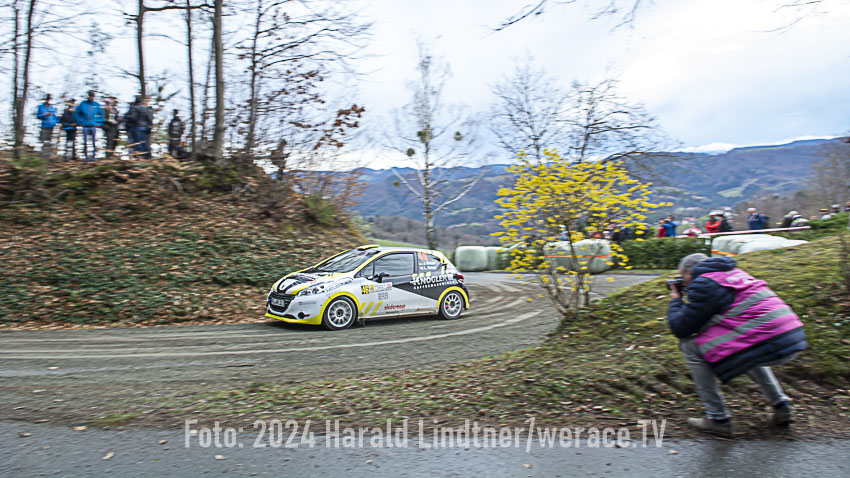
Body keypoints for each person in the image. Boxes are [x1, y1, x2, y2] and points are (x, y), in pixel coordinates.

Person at [667, 253, 806, 436]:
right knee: (746, 344)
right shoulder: (734, 273)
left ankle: (718, 419)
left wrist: (676, 298)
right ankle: (782, 406)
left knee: (689, 346)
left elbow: (681, 328)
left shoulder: (704, 283)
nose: (683, 281)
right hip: (791, 336)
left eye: (682, 277)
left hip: (771, 341)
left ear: (688, 272)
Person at [74, 90, 103, 162]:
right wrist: (80, 122)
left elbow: (101, 114)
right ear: (88, 96)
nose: (91, 97)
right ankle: (86, 157)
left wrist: (98, 122)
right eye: (90, 96)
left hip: (93, 126)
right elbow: (77, 113)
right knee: (85, 142)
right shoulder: (83, 104)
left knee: (94, 142)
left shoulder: (96, 105)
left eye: (92, 96)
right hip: (85, 126)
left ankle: (94, 156)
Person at [36, 94, 58, 159]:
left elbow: (55, 117)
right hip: (44, 126)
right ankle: (42, 155)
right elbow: (38, 116)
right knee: (43, 140)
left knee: (49, 141)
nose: (48, 101)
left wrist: (55, 122)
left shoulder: (53, 108)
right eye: (47, 99)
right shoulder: (41, 107)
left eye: (49, 99)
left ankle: (48, 155)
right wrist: (44, 115)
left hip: (51, 126)